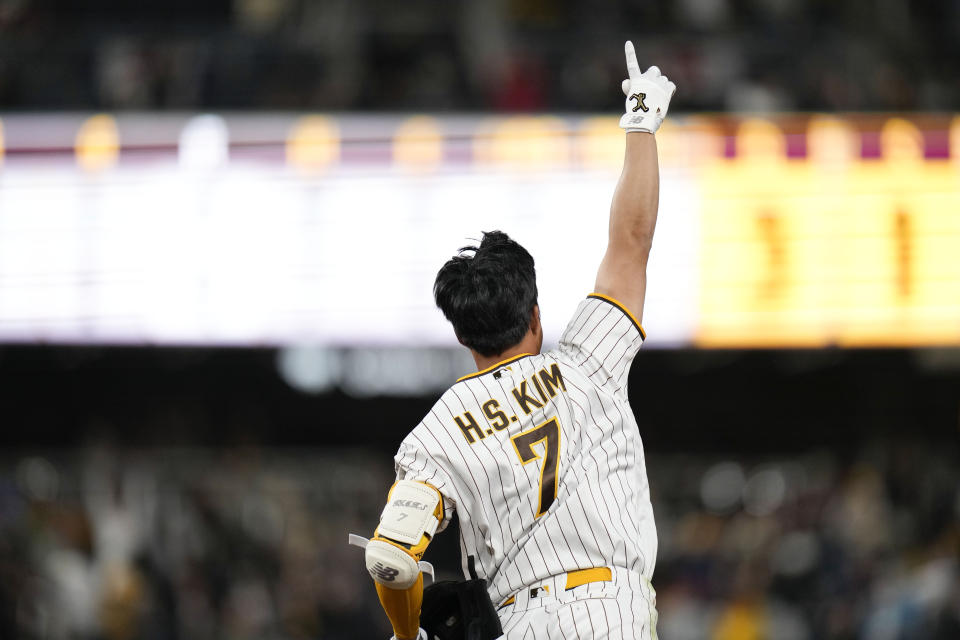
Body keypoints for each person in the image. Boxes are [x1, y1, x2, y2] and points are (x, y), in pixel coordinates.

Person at [359, 41, 676, 640]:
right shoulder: (589, 361)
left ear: (461, 334)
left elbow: (393, 560)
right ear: (535, 314)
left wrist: (406, 636)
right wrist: (640, 124)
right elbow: (631, 241)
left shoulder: (441, 428)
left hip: (523, 620)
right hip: (615, 611)